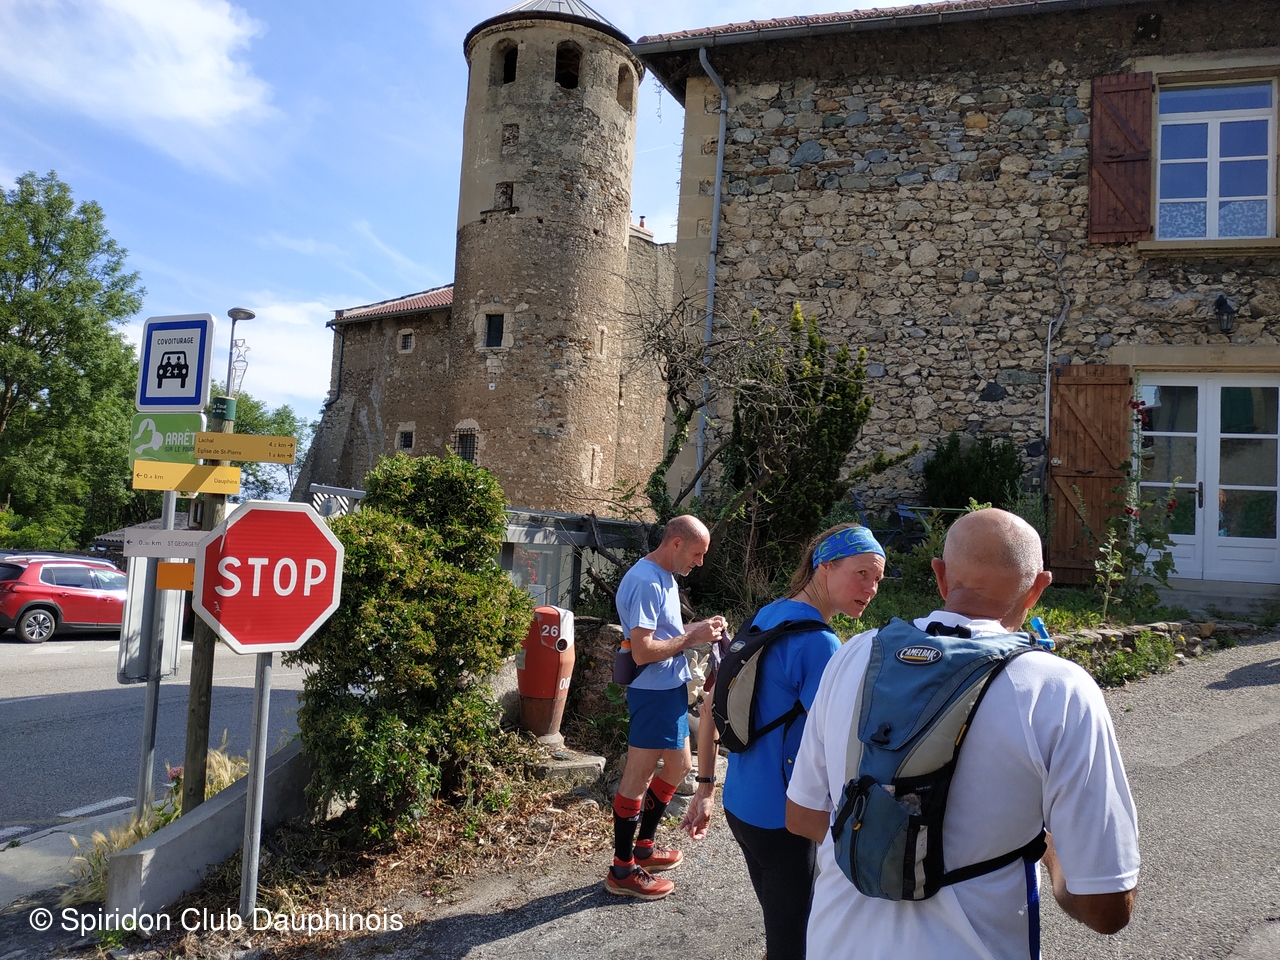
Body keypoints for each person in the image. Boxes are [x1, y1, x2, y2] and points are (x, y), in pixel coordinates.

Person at [786, 508, 1140, 960]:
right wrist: (1048, 852)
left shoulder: (854, 654)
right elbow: (1105, 907)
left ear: (939, 575)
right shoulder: (1058, 689)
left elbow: (802, 815)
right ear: (1038, 589)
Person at [682, 523, 885, 959]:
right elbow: (842, 745)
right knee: (796, 944)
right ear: (825, 565)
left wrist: (705, 788)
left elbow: (711, 705)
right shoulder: (820, 645)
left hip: (741, 804)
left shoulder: (769, 614)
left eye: (877, 579)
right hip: (786, 820)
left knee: (784, 926)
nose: (871, 588)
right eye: (862, 573)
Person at [606, 515, 727, 900]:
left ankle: (643, 848)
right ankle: (622, 869)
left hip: (668, 689)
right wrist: (692, 636)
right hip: (653, 692)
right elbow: (643, 651)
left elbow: (667, 636)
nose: (700, 562)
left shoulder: (665, 578)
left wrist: (700, 630)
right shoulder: (646, 581)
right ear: (676, 543)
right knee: (637, 777)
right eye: (697, 554)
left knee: (679, 767)